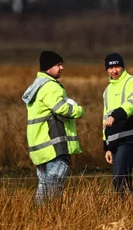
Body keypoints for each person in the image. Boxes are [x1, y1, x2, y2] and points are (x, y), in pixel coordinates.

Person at [21, 50, 85, 205]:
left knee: (44, 185)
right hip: (54, 145)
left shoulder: (36, 86)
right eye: (58, 65)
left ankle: (40, 218)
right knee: (54, 183)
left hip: (40, 147)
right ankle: (51, 216)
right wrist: (79, 111)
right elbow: (61, 108)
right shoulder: (50, 86)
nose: (62, 68)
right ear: (48, 67)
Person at [101, 53, 133, 195]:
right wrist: (107, 146)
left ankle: (129, 209)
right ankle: (130, 211)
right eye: (110, 68)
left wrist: (116, 115)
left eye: (117, 67)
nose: (114, 71)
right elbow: (105, 119)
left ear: (122, 67)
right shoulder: (107, 91)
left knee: (120, 176)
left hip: (131, 137)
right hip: (115, 141)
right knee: (119, 179)